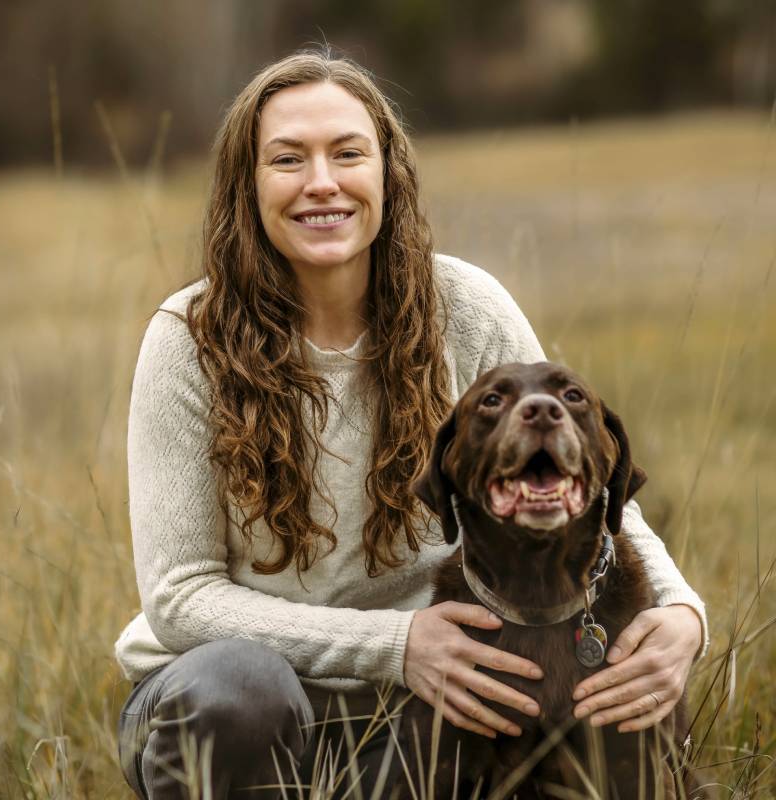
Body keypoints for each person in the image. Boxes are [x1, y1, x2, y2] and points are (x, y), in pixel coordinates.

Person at [115, 50, 707, 799]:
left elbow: (573, 478)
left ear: (389, 173)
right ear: (247, 185)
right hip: (228, 710)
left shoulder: (467, 307)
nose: (322, 182)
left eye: (348, 154)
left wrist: (683, 612)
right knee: (243, 686)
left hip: (422, 715)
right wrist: (396, 644)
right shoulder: (188, 339)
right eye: (288, 159)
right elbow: (179, 596)